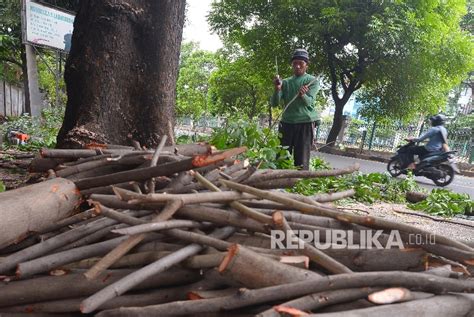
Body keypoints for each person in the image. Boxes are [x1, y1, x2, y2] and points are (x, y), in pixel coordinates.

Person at [270, 48, 320, 170]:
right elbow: (275, 103)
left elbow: (310, 102)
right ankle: (278, 181)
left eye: (301, 64)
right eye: (295, 63)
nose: (297, 66)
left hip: (305, 123)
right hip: (286, 123)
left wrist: (303, 95)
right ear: (292, 65)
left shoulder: (311, 81)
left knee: (301, 159)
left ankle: (300, 182)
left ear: (306, 65)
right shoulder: (285, 82)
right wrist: (277, 89)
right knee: (282, 156)